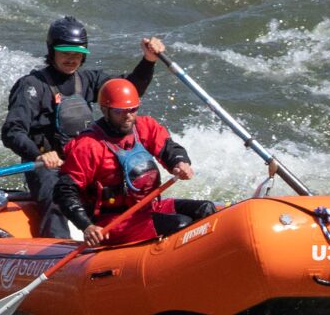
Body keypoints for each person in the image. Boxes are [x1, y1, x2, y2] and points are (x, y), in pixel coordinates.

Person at [50, 77, 215, 244]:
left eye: (132, 110)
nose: (128, 116)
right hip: (113, 222)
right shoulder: (88, 146)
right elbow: (64, 191)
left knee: (206, 209)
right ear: (105, 110)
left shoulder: (145, 126)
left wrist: (179, 163)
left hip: (148, 208)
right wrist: (86, 226)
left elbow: (169, 148)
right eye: (119, 112)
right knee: (180, 224)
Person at [1, 17, 166, 169]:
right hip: (48, 167)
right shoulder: (31, 86)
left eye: (77, 54)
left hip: (84, 164)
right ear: (52, 51)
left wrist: (148, 60)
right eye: (65, 53)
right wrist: (39, 156)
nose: (72, 59)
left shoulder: (89, 80)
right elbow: (12, 131)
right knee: (64, 199)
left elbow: (129, 91)